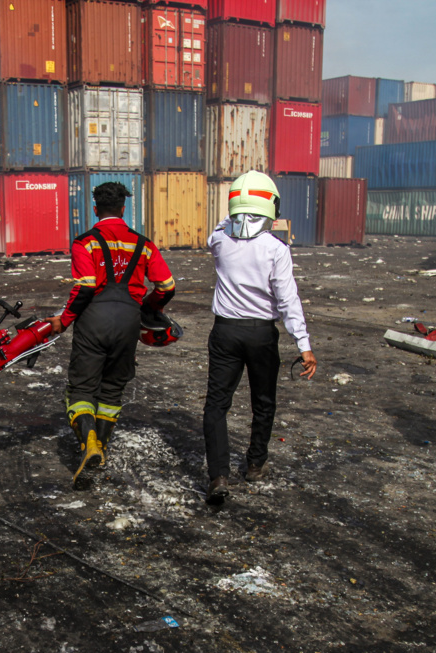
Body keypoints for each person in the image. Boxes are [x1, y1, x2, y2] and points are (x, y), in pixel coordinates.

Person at [44, 182, 176, 481]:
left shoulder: (85, 242)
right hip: (128, 321)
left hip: (93, 319)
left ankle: (88, 444)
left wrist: (64, 320)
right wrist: (147, 308)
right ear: (123, 209)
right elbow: (167, 286)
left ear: (95, 209)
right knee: (112, 389)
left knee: (81, 389)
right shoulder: (143, 244)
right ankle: (101, 449)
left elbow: (86, 286)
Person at [204, 171, 317, 503]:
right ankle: (255, 464)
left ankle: (218, 476)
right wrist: (304, 345)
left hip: (225, 331)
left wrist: (235, 213)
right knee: (263, 401)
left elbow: (218, 230)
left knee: (216, 405)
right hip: (261, 334)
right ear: (271, 208)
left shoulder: (220, 241)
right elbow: (288, 300)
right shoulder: (276, 249)